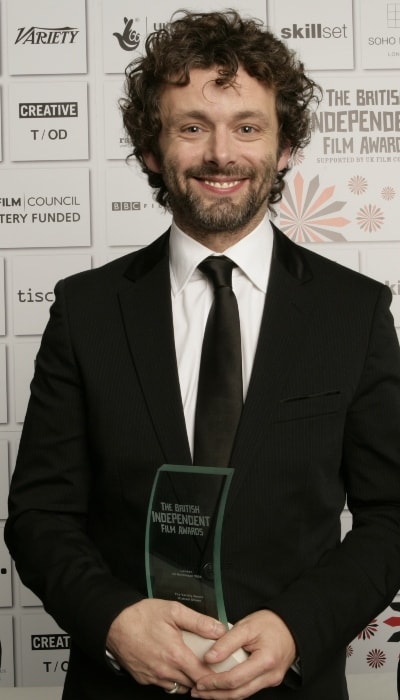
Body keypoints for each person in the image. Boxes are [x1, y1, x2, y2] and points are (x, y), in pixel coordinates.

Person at [5, 10, 400, 700]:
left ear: (284, 150)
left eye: (248, 127)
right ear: (153, 150)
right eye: (192, 127)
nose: (222, 153)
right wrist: (115, 619)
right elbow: (40, 514)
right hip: (120, 688)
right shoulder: (86, 309)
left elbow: (392, 514)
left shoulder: (354, 312)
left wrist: (295, 629)